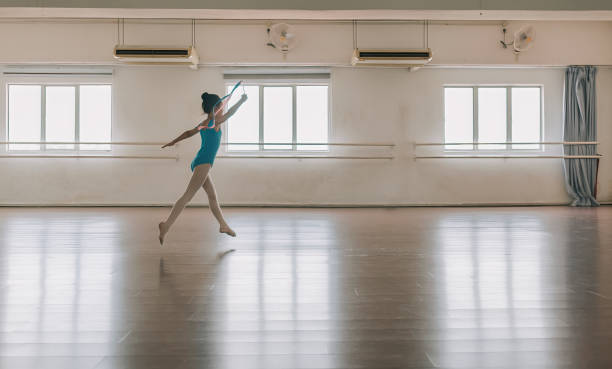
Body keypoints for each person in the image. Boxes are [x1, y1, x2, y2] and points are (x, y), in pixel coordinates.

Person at [158, 89, 248, 245]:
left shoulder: (206, 123)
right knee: (187, 196)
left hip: (201, 162)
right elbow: (231, 113)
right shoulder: (213, 122)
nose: (223, 108)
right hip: (204, 162)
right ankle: (166, 226)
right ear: (216, 107)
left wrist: (173, 141)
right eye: (221, 105)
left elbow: (188, 133)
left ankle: (223, 225)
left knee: (212, 196)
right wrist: (241, 101)